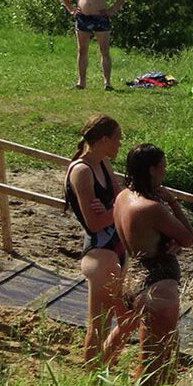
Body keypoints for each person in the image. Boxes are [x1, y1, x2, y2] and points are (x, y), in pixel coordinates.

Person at [114, 143, 193, 386]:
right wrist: (173, 202)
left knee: (156, 357)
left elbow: (142, 235)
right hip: (156, 285)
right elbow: (188, 237)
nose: (165, 172)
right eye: (163, 167)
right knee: (158, 363)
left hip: (132, 278)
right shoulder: (152, 207)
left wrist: (168, 242)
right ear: (152, 170)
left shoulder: (122, 197)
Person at [65, 115, 129, 368]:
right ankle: (93, 376)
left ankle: (102, 365)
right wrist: (116, 208)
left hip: (117, 246)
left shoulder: (103, 163)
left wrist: (112, 208)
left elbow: (118, 200)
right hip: (100, 252)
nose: (120, 144)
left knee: (128, 317)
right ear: (103, 140)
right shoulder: (82, 171)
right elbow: (94, 223)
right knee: (99, 323)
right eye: (118, 139)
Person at [58, 0, 128, 91]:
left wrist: (112, 10)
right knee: (82, 50)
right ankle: (81, 82)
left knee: (104, 50)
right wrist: (71, 9)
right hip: (83, 17)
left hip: (101, 17)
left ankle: (107, 82)